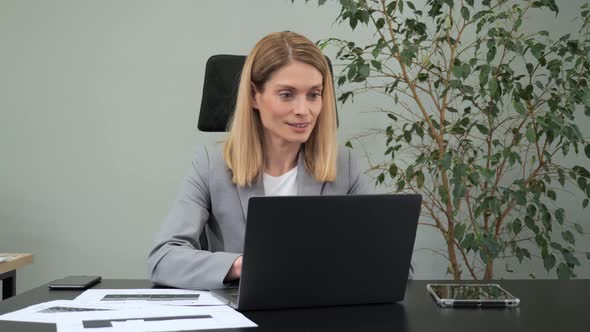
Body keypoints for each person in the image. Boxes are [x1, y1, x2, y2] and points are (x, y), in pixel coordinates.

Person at [148, 31, 372, 291]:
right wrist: (243, 266)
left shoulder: (344, 165)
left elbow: (392, 263)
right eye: (287, 94)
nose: (303, 110)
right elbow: (163, 258)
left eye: (313, 94)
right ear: (255, 96)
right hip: (241, 314)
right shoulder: (211, 165)